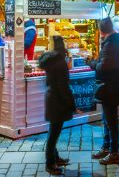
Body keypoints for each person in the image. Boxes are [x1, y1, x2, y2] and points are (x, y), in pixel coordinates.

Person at [90, 17, 119, 166]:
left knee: (111, 121)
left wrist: (91, 63)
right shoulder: (113, 42)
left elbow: (103, 66)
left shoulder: (111, 44)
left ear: (102, 30)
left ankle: (114, 153)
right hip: (111, 87)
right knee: (107, 119)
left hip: (111, 87)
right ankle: (107, 148)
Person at [38, 36, 75, 176]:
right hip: (57, 101)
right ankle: (50, 163)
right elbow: (63, 86)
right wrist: (72, 104)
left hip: (52, 98)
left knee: (54, 131)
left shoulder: (51, 60)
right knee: (54, 133)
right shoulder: (60, 62)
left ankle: (56, 158)